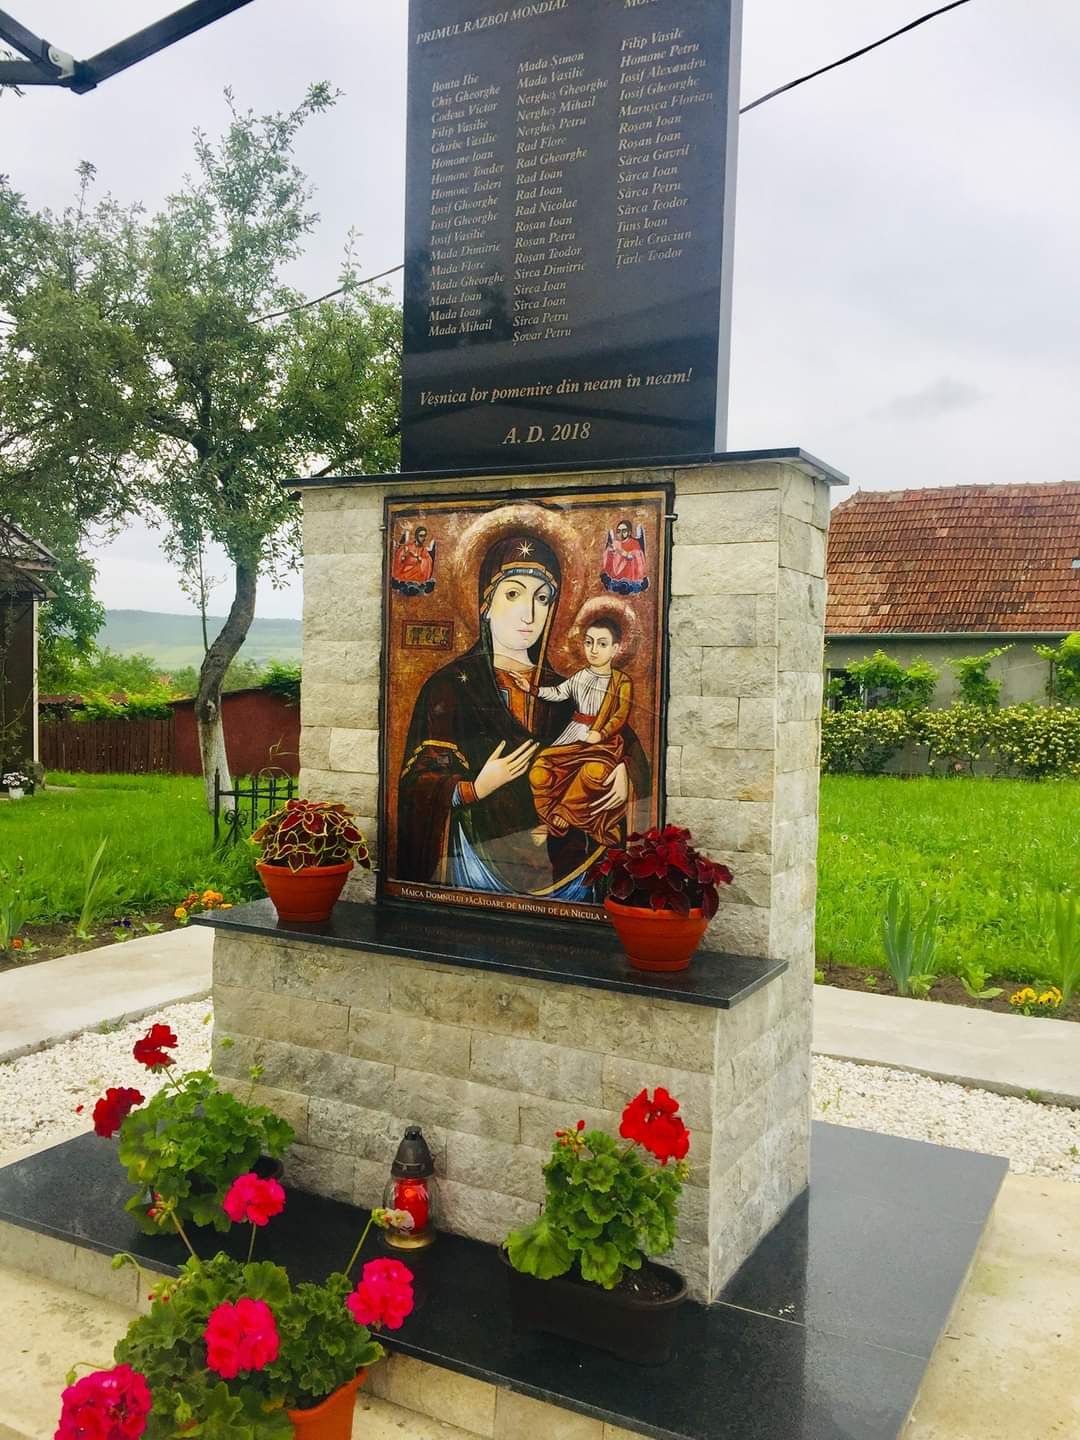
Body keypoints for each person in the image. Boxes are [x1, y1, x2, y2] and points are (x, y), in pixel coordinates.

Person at [395, 533, 646, 900]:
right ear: (485, 603)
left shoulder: (566, 690)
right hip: (476, 859)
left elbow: (626, 744)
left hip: (568, 864)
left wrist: (625, 772)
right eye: (513, 594)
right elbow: (416, 783)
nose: (529, 614)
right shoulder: (449, 687)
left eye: (542, 599)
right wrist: (475, 788)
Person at [513, 614, 632, 849]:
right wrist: (531, 689)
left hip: (603, 744)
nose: (594, 650)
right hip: (573, 736)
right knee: (539, 772)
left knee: (594, 772)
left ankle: (564, 815)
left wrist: (601, 734)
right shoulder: (581, 676)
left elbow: (620, 714)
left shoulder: (621, 682)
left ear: (615, 649)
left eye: (602, 644)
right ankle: (550, 820)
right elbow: (558, 693)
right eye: (589, 642)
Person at [601, 520, 648, 595]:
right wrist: (610, 552)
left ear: (629, 532)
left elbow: (637, 557)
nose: (621, 533)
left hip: (630, 576)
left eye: (624, 531)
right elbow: (608, 559)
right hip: (616, 575)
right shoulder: (615, 543)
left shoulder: (634, 543)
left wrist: (623, 553)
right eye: (618, 531)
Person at [392, 525, 436, 594]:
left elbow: (428, 561)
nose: (423, 538)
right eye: (421, 536)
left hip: (417, 573)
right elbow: (400, 559)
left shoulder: (424, 550)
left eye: (424, 536)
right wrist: (404, 556)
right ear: (416, 536)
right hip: (406, 571)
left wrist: (418, 558)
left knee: (419, 569)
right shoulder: (408, 546)